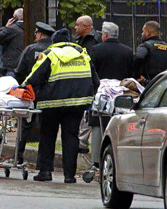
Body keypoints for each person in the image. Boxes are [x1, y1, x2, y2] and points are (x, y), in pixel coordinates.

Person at [23, 28, 99, 183]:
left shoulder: (50, 55)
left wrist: (22, 87)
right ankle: (69, 176)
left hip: (51, 104)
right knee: (71, 137)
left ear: (54, 42)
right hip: (76, 105)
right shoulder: (83, 55)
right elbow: (95, 81)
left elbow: (34, 77)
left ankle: (45, 172)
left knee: (48, 136)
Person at [88, 21, 133, 167]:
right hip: (120, 98)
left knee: (98, 128)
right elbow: (131, 75)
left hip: (101, 96)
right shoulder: (127, 51)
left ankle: (96, 161)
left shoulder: (96, 50)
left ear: (105, 34)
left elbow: (91, 73)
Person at [14, 22, 55, 164]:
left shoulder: (30, 49)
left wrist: (24, 87)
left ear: (39, 35)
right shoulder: (54, 50)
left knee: (25, 125)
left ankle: (18, 157)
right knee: (47, 128)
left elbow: (19, 72)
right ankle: (42, 162)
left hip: (29, 94)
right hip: (49, 94)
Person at [74, 15, 101, 153]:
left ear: (85, 26)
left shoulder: (95, 40)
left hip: (91, 82)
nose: (75, 27)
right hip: (81, 81)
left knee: (88, 112)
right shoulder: (79, 40)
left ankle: (82, 141)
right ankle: (80, 140)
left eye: (78, 25)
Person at [133, 20, 167, 85]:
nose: (142, 34)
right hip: (164, 85)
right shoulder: (165, 46)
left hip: (149, 85)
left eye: (143, 31)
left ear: (148, 32)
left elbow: (139, 57)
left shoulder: (145, 46)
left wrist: (137, 76)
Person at [0, 8, 24, 76]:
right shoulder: (29, 28)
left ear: (17, 17)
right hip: (24, 65)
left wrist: (6, 27)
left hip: (12, 66)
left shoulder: (12, 29)